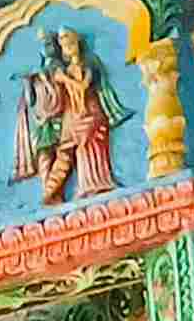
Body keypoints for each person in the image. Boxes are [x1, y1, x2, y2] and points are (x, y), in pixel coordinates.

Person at [15, 28, 126, 206]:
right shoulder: (59, 70)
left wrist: (66, 79)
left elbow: (83, 86)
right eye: (65, 46)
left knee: (88, 146)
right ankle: (50, 192)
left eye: (71, 44)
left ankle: (96, 183)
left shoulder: (87, 64)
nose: (68, 49)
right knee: (64, 152)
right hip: (72, 115)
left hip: (89, 111)